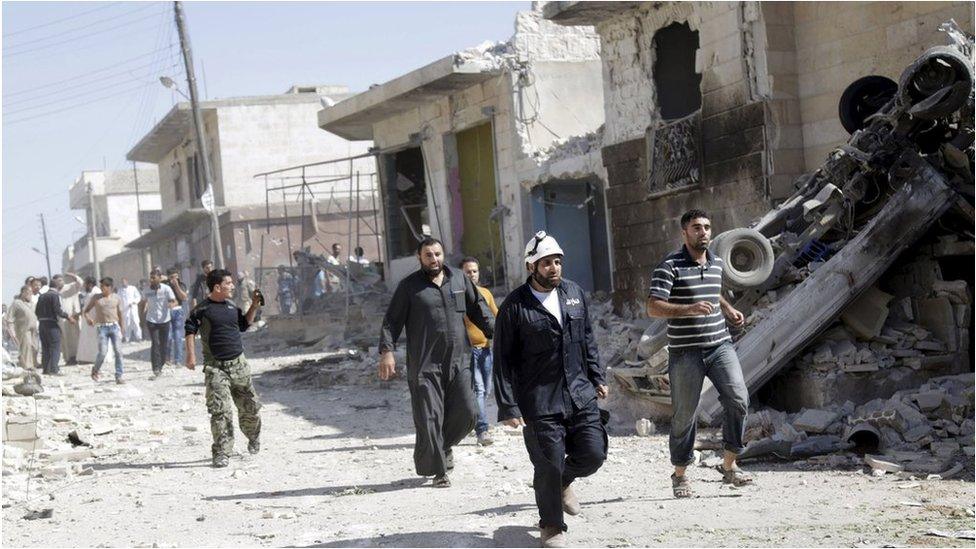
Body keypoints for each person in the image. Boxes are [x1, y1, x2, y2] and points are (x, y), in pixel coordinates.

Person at [493, 232, 609, 548]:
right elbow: (501, 358)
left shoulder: (574, 293)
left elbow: (587, 339)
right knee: (548, 462)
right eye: (547, 263)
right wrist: (508, 406)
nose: (554, 268)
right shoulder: (515, 306)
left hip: (578, 390)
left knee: (593, 455)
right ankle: (551, 526)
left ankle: (562, 482)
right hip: (539, 398)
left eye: (557, 261)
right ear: (533, 266)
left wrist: (597, 376)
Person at [647, 209, 752, 498]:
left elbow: (711, 290)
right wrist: (688, 309)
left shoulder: (716, 262)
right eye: (696, 227)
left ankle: (730, 466)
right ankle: (680, 475)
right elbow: (653, 306)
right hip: (685, 352)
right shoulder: (669, 266)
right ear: (685, 233)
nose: (703, 232)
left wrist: (727, 308)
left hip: (720, 345)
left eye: (707, 227)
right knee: (684, 415)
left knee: (739, 399)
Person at [379, 237, 494, 488]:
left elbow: (478, 308)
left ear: (444, 255)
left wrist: (497, 333)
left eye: (438, 254)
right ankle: (439, 469)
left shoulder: (458, 279)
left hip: (459, 358)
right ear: (419, 258)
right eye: (429, 255)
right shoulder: (409, 287)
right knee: (429, 416)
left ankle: (442, 445)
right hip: (424, 362)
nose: (434, 259)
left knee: (468, 411)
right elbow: (391, 321)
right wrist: (387, 351)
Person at [184, 268, 263, 468]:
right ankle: (221, 452)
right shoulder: (201, 309)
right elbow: (190, 329)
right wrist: (191, 355)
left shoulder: (231, 306)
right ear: (217, 287)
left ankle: (253, 437)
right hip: (215, 367)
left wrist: (254, 305)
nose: (232, 286)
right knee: (220, 411)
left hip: (239, 365)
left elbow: (244, 324)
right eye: (228, 283)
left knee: (250, 408)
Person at [459, 257, 499, 446]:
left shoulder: (485, 293)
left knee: (485, 390)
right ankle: (482, 430)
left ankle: (469, 422)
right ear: (461, 274)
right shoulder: (457, 296)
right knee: (479, 390)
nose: (472, 274)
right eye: (468, 271)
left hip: (486, 349)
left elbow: (497, 315)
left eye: (474, 271)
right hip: (469, 351)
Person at [83, 277, 126, 383]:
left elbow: (120, 314)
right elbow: (86, 311)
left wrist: (122, 328)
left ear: (110, 287)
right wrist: (89, 319)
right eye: (101, 286)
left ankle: (119, 375)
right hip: (102, 328)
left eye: (104, 286)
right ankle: (95, 369)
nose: (102, 288)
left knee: (118, 351)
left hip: (114, 327)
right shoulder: (96, 298)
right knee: (103, 352)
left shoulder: (116, 298)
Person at [36, 275, 76, 375]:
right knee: (55, 347)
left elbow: (36, 311)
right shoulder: (54, 295)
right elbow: (58, 310)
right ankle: (54, 369)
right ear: (57, 286)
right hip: (51, 324)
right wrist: (68, 317)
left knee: (45, 348)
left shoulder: (41, 296)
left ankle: (46, 369)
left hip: (42, 324)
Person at [141, 270, 176, 379]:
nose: (151, 280)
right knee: (155, 343)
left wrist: (171, 304)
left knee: (164, 345)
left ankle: (160, 365)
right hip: (151, 320)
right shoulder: (146, 289)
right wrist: (141, 317)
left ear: (159, 278)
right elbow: (142, 302)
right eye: (150, 278)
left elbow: (173, 301)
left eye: (153, 278)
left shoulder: (166, 289)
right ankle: (156, 368)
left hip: (165, 320)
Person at [6, 286, 38, 370]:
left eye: (31, 292)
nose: (30, 294)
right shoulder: (16, 303)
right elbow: (9, 318)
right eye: (28, 292)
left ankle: (33, 363)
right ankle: (27, 366)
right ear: (23, 292)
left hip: (33, 330)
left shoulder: (32, 303)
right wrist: (12, 332)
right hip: (23, 329)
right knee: (26, 347)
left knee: (34, 347)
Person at [164, 268, 189, 366]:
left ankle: (178, 360)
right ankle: (167, 358)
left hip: (178, 312)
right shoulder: (165, 286)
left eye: (176, 277)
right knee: (168, 337)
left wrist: (176, 286)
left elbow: (184, 297)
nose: (174, 279)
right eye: (172, 277)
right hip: (167, 313)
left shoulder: (182, 285)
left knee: (178, 337)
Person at [75, 277, 102, 364]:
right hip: (87, 320)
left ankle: (95, 358)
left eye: (85, 284)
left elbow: (100, 307)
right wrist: (79, 314)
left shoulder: (96, 292)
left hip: (93, 320)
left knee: (95, 340)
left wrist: (95, 319)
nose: (84, 286)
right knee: (88, 340)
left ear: (89, 284)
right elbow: (86, 307)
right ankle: (89, 358)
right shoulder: (90, 293)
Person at [58, 272, 83, 364]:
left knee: (75, 337)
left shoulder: (71, 287)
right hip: (61, 319)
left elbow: (80, 282)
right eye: (57, 281)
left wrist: (73, 275)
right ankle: (68, 358)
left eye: (60, 280)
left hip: (72, 317)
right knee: (64, 339)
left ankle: (76, 357)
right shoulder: (55, 291)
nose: (59, 282)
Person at [119, 278, 143, 342]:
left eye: (124, 281)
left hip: (133, 308)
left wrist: (134, 302)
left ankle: (139, 337)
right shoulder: (120, 290)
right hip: (125, 310)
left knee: (136, 322)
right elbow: (119, 300)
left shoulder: (133, 288)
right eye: (122, 282)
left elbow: (138, 297)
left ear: (127, 281)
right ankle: (127, 338)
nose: (123, 283)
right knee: (127, 324)